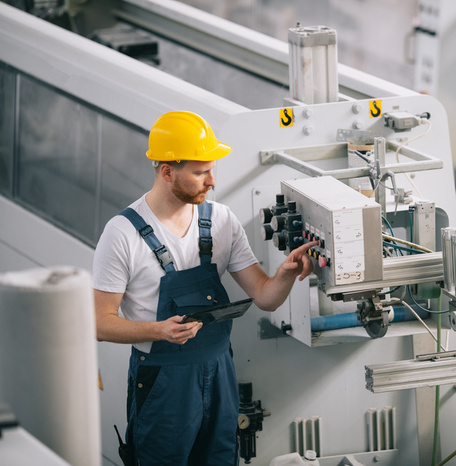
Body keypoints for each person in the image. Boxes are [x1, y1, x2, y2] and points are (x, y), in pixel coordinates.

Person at [92, 111, 316, 465]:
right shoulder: (122, 234)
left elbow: (265, 297)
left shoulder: (222, 220)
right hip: (162, 382)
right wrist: (159, 331)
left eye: (212, 169)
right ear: (167, 171)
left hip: (219, 372)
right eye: (200, 172)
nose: (212, 180)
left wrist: (286, 274)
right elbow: (99, 323)